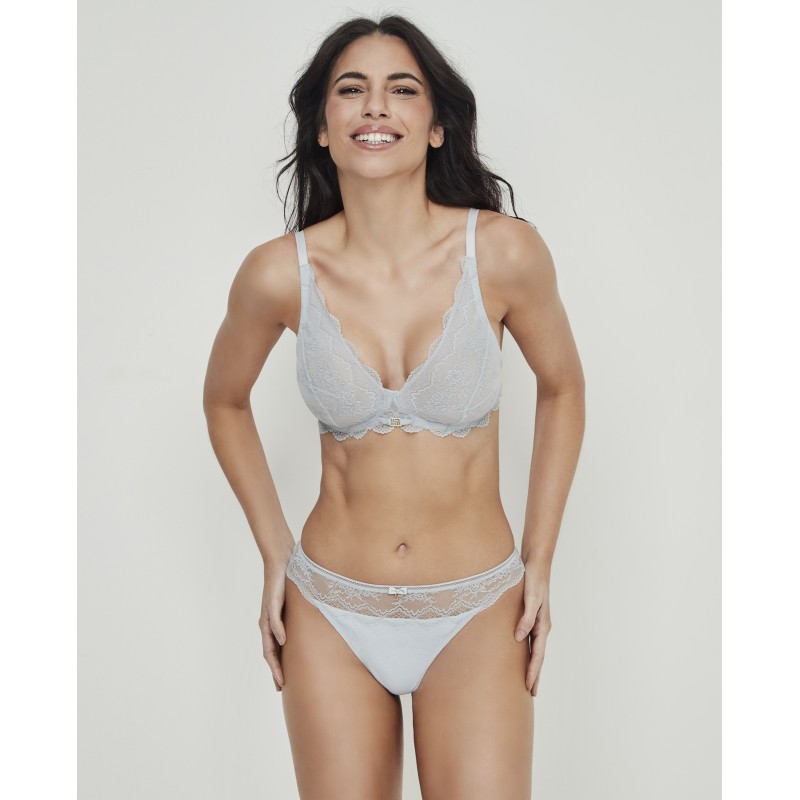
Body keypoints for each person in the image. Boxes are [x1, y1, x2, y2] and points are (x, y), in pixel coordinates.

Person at [203, 13, 585, 800]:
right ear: (322, 126)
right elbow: (224, 401)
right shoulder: (276, 274)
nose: (376, 106)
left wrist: (540, 560)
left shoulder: (503, 251)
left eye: (402, 90)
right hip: (330, 608)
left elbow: (564, 387)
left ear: (437, 126)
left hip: (478, 607)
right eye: (352, 89)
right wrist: (274, 551)